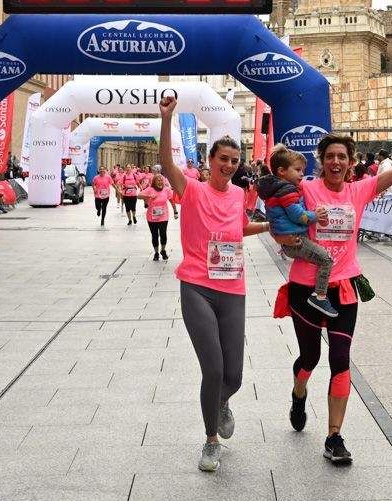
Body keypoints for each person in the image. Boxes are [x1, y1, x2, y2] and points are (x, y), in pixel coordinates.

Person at [282, 117, 392, 466]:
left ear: (351, 163)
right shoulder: (306, 189)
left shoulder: (359, 190)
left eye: (342, 157)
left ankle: (334, 435)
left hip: (345, 288)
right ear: (321, 161)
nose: (336, 162)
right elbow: (279, 209)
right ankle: (298, 392)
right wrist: (287, 238)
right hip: (306, 287)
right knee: (309, 359)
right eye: (330, 156)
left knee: (340, 361)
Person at [157, 93, 269, 473]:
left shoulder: (239, 195)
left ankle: (221, 403)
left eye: (235, 161)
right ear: (210, 161)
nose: (229, 166)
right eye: (223, 159)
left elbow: (239, 230)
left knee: (234, 376)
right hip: (197, 287)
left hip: (232, 288)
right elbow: (166, 163)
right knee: (214, 369)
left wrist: (274, 226)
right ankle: (210, 441)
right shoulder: (191, 189)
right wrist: (167, 119)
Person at [256, 146, 338, 318]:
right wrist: (314, 216)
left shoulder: (277, 188)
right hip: (296, 239)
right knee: (326, 260)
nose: (301, 174)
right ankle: (320, 296)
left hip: (290, 240)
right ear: (282, 171)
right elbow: (297, 215)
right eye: (298, 170)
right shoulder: (287, 190)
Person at [143, 171, 173, 260]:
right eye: (158, 180)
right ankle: (156, 253)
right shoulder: (150, 189)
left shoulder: (166, 189)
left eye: (161, 180)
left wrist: (175, 211)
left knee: (163, 234)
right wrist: (148, 196)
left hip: (163, 216)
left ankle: (163, 250)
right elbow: (139, 195)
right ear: (154, 181)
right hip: (152, 217)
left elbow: (171, 199)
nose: (160, 181)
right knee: (155, 235)